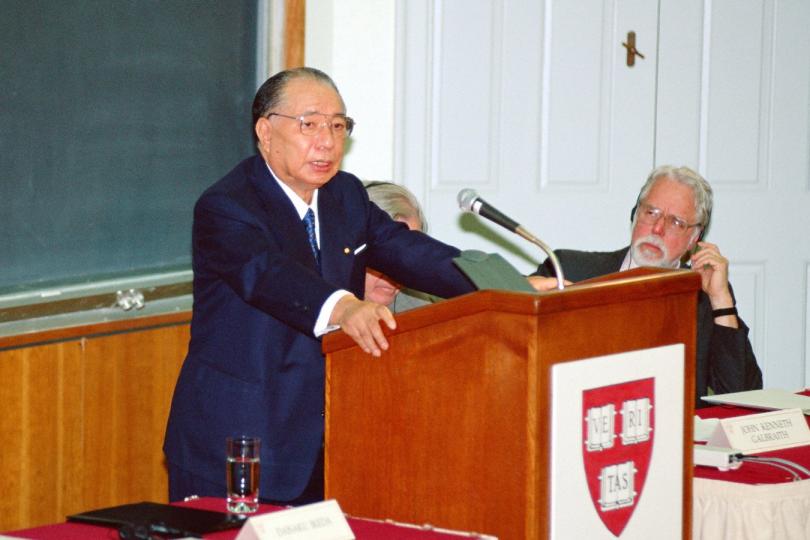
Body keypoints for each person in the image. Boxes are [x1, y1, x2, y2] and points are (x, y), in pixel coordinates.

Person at [163, 67, 476, 505]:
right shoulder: (227, 206)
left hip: (323, 437)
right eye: (309, 124)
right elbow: (268, 275)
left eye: (338, 125)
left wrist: (504, 283)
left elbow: (407, 250)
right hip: (242, 440)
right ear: (265, 131)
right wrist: (346, 308)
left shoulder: (344, 195)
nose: (327, 141)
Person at [530, 165, 762, 406]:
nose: (658, 228)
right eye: (651, 212)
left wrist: (721, 300)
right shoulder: (569, 270)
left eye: (675, 222)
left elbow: (742, 397)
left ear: (694, 238)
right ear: (635, 214)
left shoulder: (702, 298)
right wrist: (522, 290)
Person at [363, 181, 439, 312]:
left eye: (409, 254)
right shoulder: (319, 300)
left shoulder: (421, 308)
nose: (395, 270)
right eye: (387, 252)